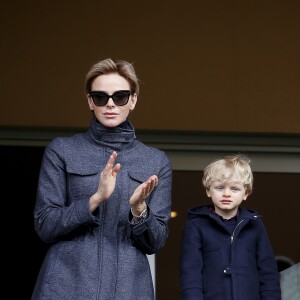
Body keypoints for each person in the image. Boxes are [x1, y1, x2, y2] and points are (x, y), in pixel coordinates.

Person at [32, 58, 173, 300]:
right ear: (90, 101)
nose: (110, 104)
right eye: (100, 97)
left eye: (120, 96)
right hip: (67, 286)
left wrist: (140, 210)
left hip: (129, 289)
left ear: (133, 100)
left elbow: (156, 242)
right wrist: (94, 199)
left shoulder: (155, 161)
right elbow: (45, 225)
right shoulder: (63, 150)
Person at [179, 154, 281, 300]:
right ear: (208, 190)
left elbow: (268, 273)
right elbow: (190, 274)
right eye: (219, 187)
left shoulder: (255, 225)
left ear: (246, 193)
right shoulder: (195, 226)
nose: (226, 193)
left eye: (234, 189)